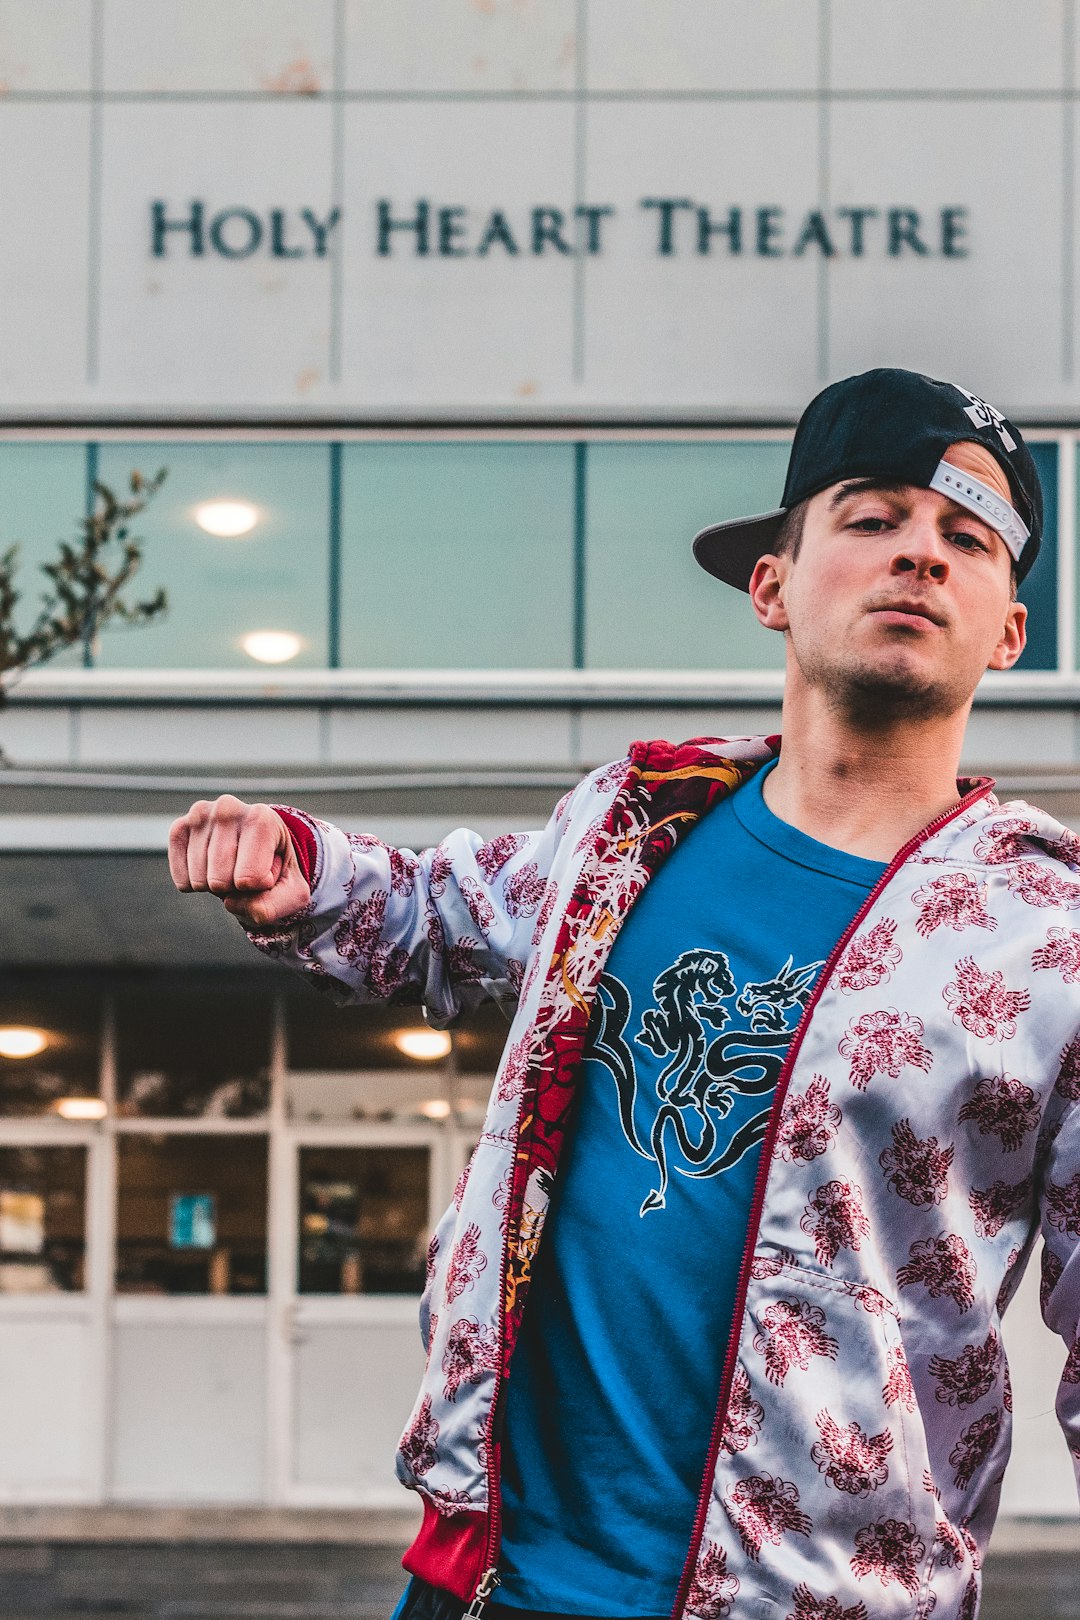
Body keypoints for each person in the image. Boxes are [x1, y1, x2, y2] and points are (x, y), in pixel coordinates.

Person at [169, 369, 1080, 1620]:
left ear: (1009, 631)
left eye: (965, 539)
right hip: (492, 1579)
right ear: (772, 583)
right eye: (871, 518)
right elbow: (448, 908)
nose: (918, 553)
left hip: (817, 1600)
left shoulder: (1050, 936)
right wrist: (299, 867)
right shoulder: (635, 824)